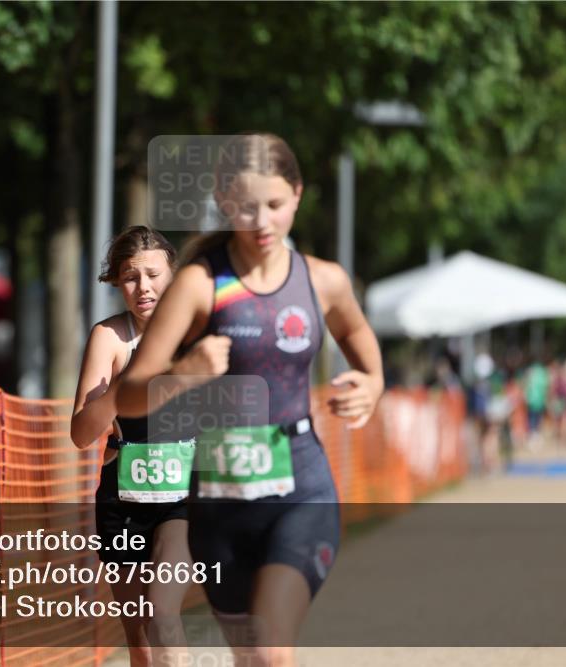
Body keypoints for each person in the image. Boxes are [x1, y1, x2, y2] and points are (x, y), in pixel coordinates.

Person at [115, 134, 384, 666]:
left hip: (302, 491)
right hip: (219, 503)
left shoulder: (322, 280)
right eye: (244, 206)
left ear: (298, 196)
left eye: (276, 205)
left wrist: (372, 382)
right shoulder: (198, 285)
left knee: (269, 647)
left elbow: (358, 336)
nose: (261, 221)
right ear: (223, 199)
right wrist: (185, 373)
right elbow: (127, 398)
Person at [70, 225, 194, 667]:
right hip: (123, 500)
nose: (143, 287)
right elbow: (82, 433)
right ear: (116, 283)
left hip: (182, 500)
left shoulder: (197, 333)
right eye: (129, 276)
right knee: (139, 635)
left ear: (174, 276)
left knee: (163, 613)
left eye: (154, 275)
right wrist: (127, 380)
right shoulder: (110, 338)